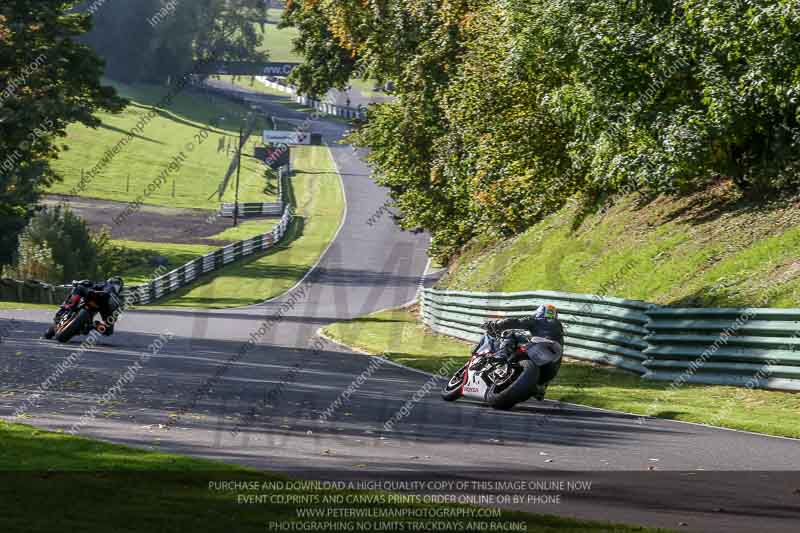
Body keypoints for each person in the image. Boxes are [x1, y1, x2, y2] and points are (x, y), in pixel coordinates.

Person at [482, 303, 565, 400]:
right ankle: (541, 388)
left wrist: (495, 324)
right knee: (553, 362)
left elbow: (515, 322)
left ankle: (501, 356)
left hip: (538, 346)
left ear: (539, 312)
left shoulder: (537, 320)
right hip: (550, 366)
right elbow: (558, 361)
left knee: (510, 334)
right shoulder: (559, 328)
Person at [53, 277, 124, 336]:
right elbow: (115, 313)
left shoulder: (106, 284)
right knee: (108, 331)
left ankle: (70, 305)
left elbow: (90, 285)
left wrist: (80, 283)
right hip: (105, 305)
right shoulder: (118, 298)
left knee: (79, 288)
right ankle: (93, 325)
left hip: (98, 297)